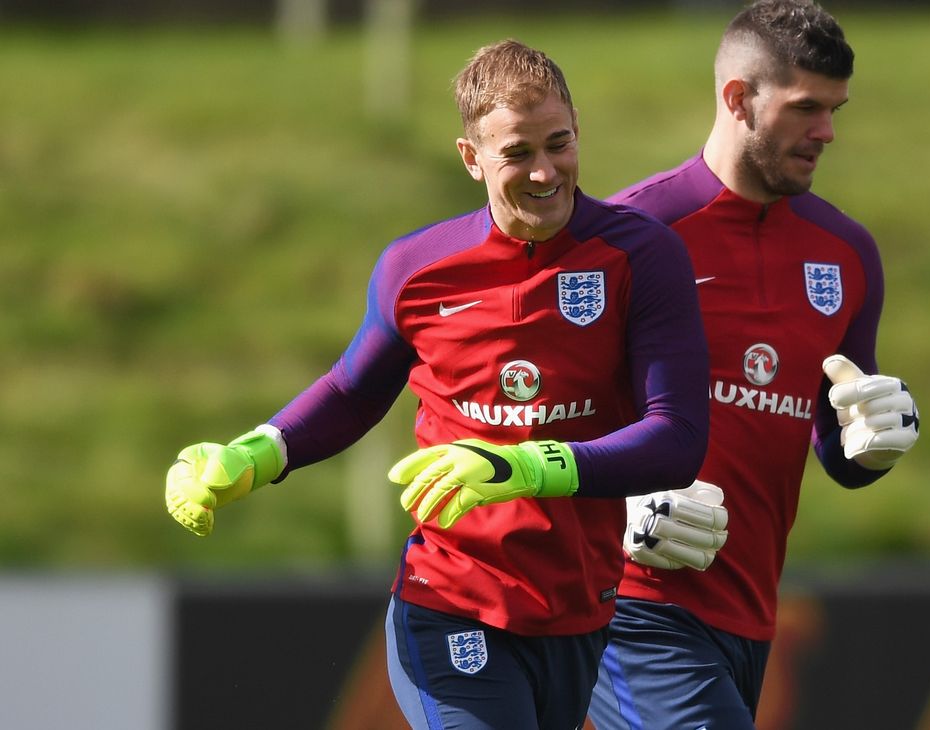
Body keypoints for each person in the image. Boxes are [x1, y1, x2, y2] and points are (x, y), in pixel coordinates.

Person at [164, 39, 711, 729]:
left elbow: (679, 438)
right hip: (452, 598)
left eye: (559, 143)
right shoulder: (417, 269)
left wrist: (526, 465)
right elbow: (352, 391)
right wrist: (257, 453)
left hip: (580, 610)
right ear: (471, 158)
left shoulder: (644, 257)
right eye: (517, 153)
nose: (545, 172)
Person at [588, 1, 921, 728]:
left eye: (834, 110)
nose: (827, 132)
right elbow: (536, 416)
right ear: (738, 98)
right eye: (807, 109)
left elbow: (837, 444)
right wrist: (617, 508)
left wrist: (872, 444)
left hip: (750, 614)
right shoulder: (632, 237)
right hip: (631, 604)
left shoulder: (847, 253)